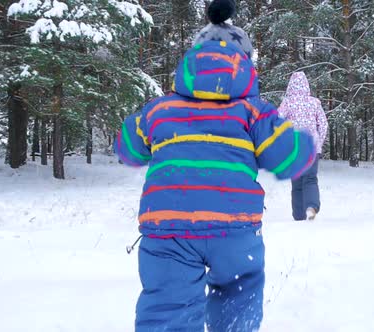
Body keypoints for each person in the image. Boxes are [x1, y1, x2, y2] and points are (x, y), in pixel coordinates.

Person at [114, 1, 316, 331]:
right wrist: (305, 143)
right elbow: (288, 155)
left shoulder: (161, 109)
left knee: (168, 306)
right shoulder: (253, 112)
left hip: (169, 232)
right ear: (245, 64)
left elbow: (127, 148)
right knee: (239, 293)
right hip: (233, 229)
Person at [278, 72, 328, 221]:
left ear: (290, 86)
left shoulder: (287, 103)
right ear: (306, 85)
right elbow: (324, 124)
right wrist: (319, 141)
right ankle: (312, 207)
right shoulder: (314, 103)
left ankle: (298, 216)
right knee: (310, 179)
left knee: (297, 183)